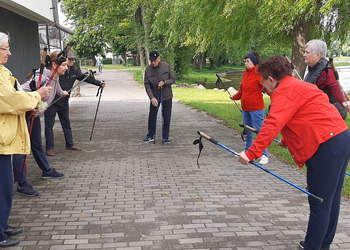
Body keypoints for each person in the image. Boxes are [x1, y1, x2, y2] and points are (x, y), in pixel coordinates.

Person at [238, 55, 350, 250]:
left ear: (271, 79)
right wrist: (287, 139)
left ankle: (313, 246)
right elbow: (310, 113)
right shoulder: (300, 85)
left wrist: (252, 153)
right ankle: (321, 245)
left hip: (327, 147)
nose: (264, 89)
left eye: (264, 83)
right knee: (330, 200)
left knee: (319, 203)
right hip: (342, 138)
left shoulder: (284, 92)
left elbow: (272, 123)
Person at [0, 32, 52, 247]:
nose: (10, 52)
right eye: (6, 49)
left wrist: (31, 104)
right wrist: (37, 95)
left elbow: (16, 96)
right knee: (2, 187)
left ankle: (2, 225)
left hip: (5, 138)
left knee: (5, 188)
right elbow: (9, 100)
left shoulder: (4, 71)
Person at [12, 50, 69, 197]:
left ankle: (46, 170)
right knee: (22, 146)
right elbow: (21, 93)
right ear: (55, 65)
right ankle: (21, 183)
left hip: (34, 114)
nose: (67, 67)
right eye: (63, 64)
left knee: (36, 143)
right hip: (24, 113)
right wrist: (31, 106)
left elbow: (56, 90)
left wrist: (63, 93)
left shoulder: (54, 78)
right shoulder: (42, 77)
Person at [45, 51, 106, 156]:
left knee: (66, 124)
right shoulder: (56, 70)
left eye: (73, 59)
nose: (72, 61)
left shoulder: (73, 70)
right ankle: (49, 148)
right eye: (70, 59)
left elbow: (83, 77)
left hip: (64, 102)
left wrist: (99, 83)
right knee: (49, 125)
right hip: (52, 102)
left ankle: (70, 144)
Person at [230, 51, 269, 164]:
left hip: (256, 108)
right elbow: (242, 90)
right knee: (248, 131)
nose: (245, 63)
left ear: (254, 62)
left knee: (259, 131)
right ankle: (247, 151)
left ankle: (264, 154)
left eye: (248, 61)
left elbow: (267, 87)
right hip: (246, 108)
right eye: (245, 61)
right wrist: (235, 97)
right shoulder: (245, 73)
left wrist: (275, 95)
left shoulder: (258, 73)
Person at [304, 39, 349, 119]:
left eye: (307, 52)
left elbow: (336, 87)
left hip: (334, 114)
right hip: (321, 111)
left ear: (317, 55)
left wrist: (345, 102)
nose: (304, 55)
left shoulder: (327, 70)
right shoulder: (312, 68)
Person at [143, 51, 175, 143]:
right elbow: (147, 85)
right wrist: (152, 98)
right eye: (151, 60)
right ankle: (150, 135)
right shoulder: (148, 70)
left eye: (155, 60)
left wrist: (165, 82)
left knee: (166, 116)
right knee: (152, 116)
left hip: (167, 96)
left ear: (159, 59)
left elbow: (173, 79)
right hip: (155, 96)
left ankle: (165, 137)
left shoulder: (166, 66)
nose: (153, 62)